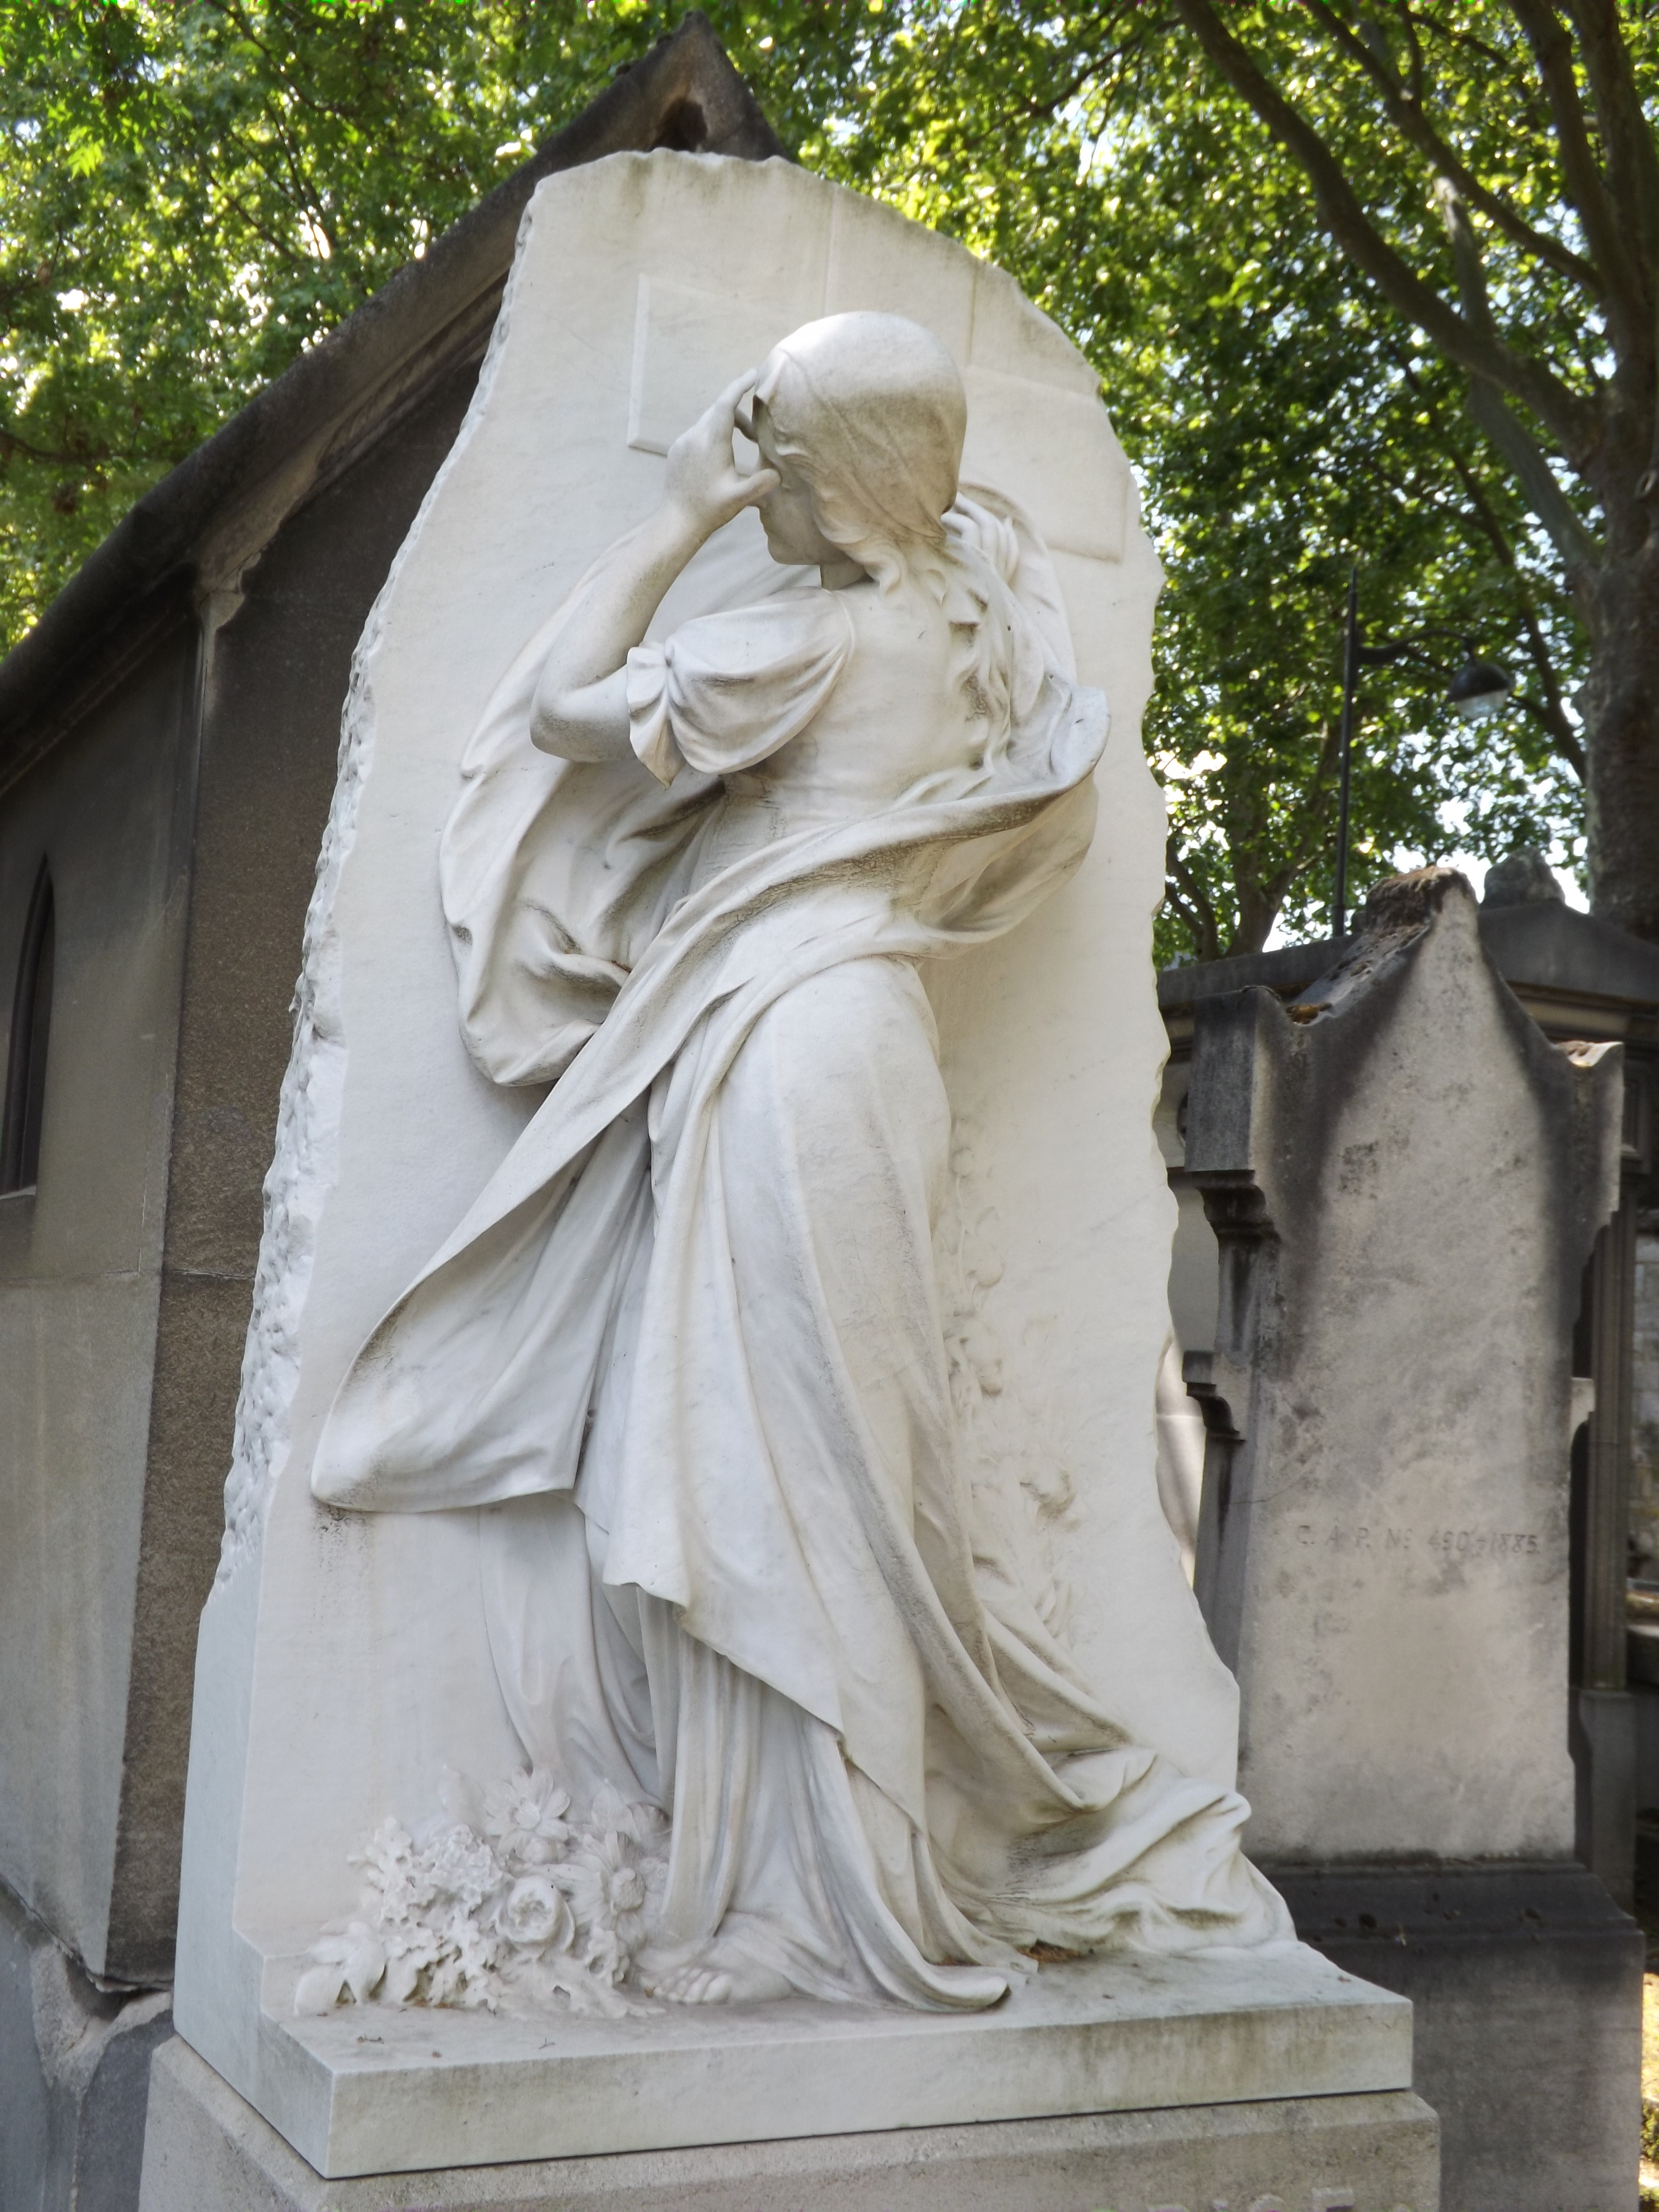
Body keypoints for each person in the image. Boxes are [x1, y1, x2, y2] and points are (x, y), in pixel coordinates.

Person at [313, 312, 1289, 2008]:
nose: (751, 477)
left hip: (782, 1058)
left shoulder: (811, 642)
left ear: (831, 484)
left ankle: (812, 1903)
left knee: (781, 1481)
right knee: (827, 1473)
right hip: (855, 1043)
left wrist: (675, 518)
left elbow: (559, 709)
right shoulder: (969, 606)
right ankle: (796, 1878)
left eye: (772, 454)